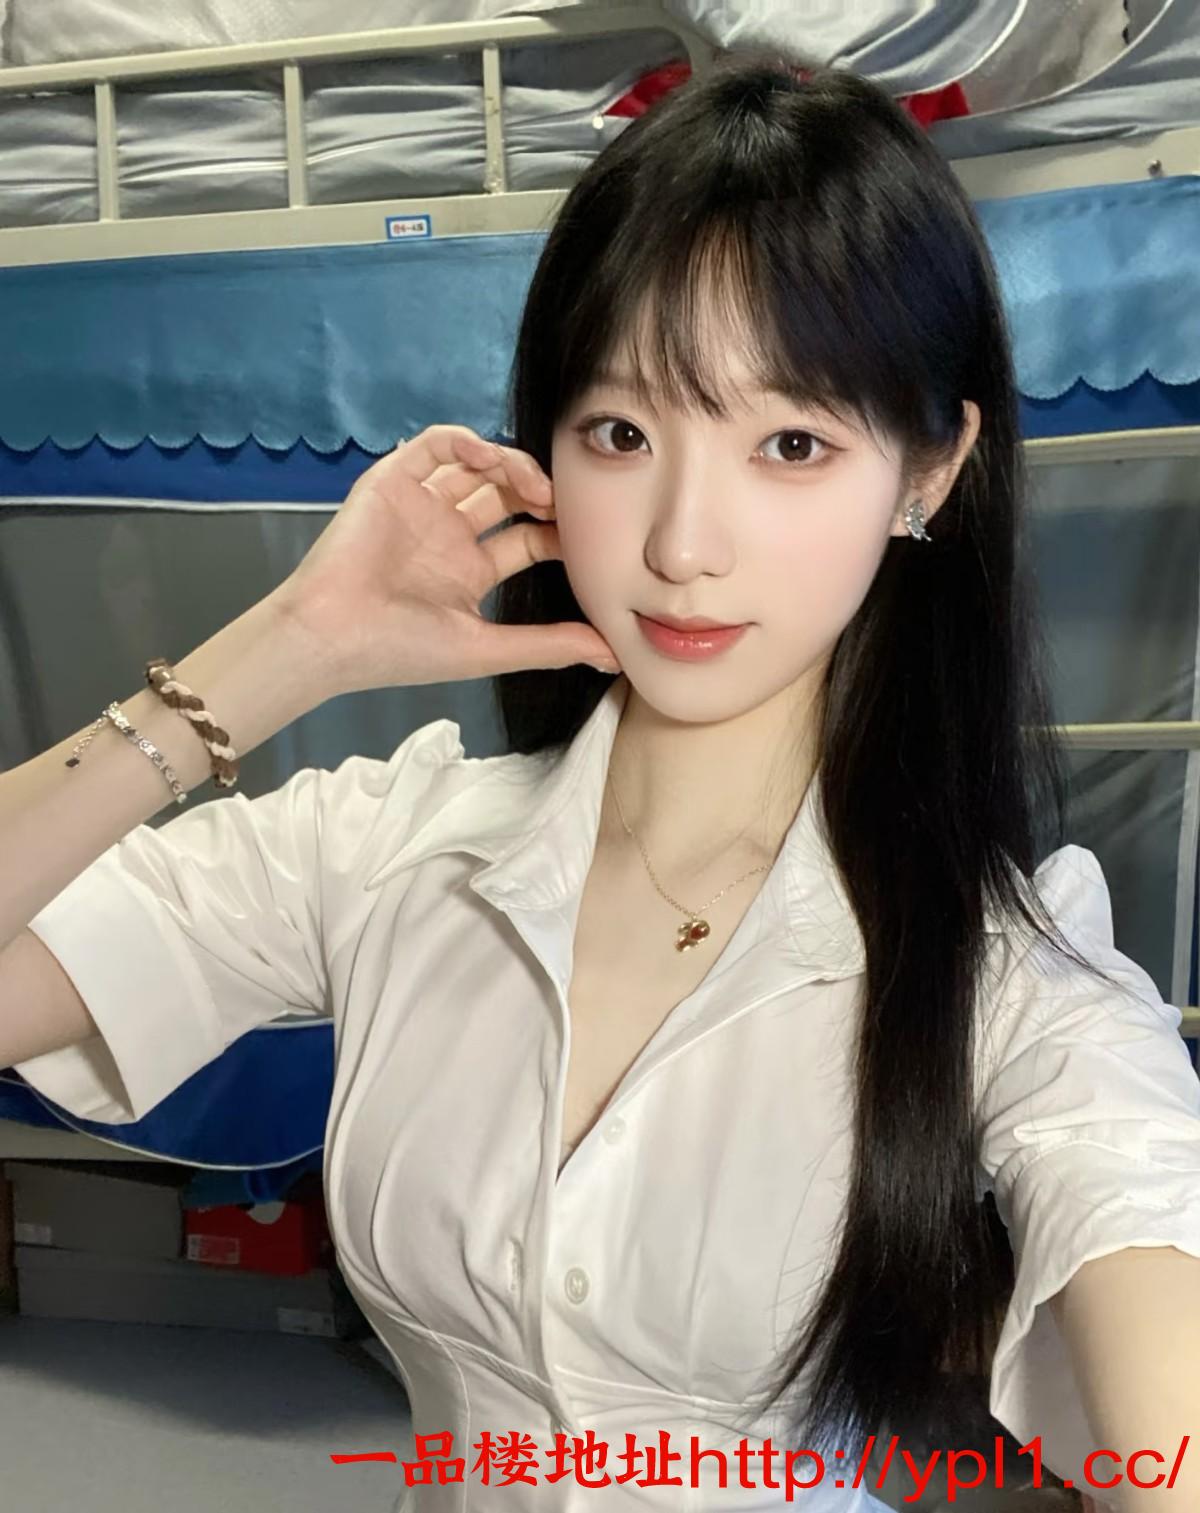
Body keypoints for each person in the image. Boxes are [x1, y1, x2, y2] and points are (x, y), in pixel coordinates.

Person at [1, 48, 1198, 1513]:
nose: (684, 543)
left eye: (792, 443)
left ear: (929, 471)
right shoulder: (390, 845)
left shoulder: (1005, 962)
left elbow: (1146, 1245)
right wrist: (286, 650)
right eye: (622, 433)